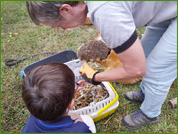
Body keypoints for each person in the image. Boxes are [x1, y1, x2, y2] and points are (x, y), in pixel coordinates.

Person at [25, 1, 177, 129]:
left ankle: (150, 114)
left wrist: (96, 77)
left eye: (57, 25)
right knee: (144, 54)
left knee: (156, 71)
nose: (62, 29)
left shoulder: (105, 12)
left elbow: (137, 69)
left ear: (66, 9)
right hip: (167, 9)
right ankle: (146, 93)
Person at [22, 63, 96, 133]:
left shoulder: (34, 116)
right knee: (88, 120)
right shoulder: (81, 129)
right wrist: (79, 119)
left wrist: (73, 90)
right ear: (71, 104)